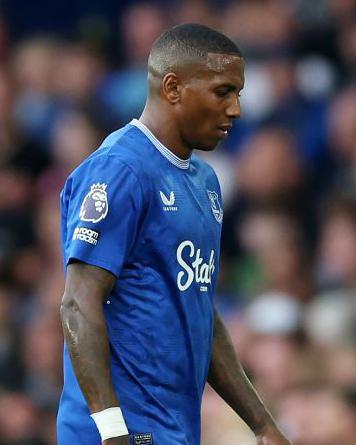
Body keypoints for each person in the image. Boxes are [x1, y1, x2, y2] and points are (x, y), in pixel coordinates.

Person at [57, 24, 291, 445]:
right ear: (173, 87)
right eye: (223, 92)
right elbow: (78, 301)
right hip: (123, 432)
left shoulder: (204, 181)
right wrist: (111, 432)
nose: (236, 109)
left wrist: (261, 424)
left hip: (174, 429)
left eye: (238, 93)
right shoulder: (120, 170)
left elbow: (200, 311)